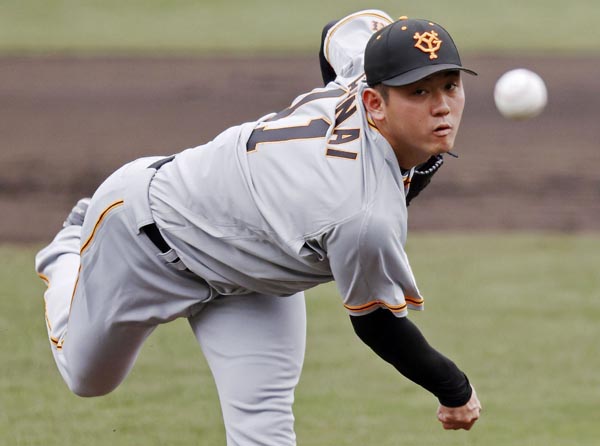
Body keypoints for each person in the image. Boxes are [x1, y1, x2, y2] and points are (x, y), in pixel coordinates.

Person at [35, 10, 482, 445]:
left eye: (450, 85)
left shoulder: (361, 75)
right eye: (418, 92)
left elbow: (340, 30)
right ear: (374, 103)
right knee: (87, 379)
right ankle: (70, 245)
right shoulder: (362, 214)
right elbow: (379, 326)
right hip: (143, 238)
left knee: (265, 433)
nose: (441, 106)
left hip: (252, 280)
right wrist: (454, 388)